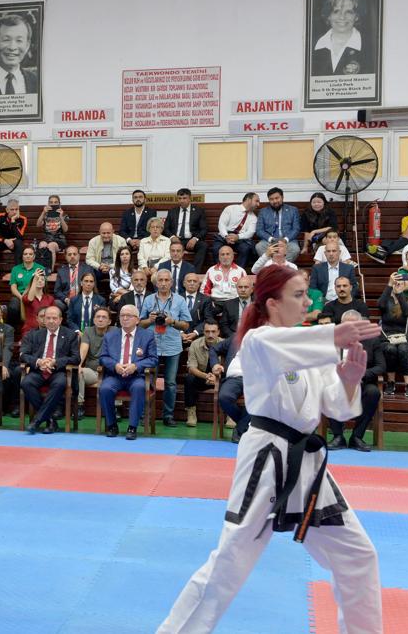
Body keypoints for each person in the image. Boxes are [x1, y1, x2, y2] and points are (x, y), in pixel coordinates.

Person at [158, 265, 383, 634]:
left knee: (358, 555)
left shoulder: (311, 347)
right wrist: (333, 335)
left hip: (307, 461)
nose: (307, 302)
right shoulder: (258, 341)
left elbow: (338, 408)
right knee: (229, 563)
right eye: (298, 295)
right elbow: (284, 348)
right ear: (273, 303)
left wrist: (348, 380)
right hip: (266, 459)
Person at [327, 309, 385, 452]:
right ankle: (338, 437)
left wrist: (361, 374)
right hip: (338, 382)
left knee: (373, 392)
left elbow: (381, 366)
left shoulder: (373, 341)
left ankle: (357, 437)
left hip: (363, 383)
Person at [140, 270, 192, 426]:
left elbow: (186, 325)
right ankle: (146, 414)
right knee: (149, 381)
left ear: (172, 282)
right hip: (152, 346)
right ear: (156, 283)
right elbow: (140, 324)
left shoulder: (180, 300)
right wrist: (150, 320)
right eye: (160, 280)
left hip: (172, 346)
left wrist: (172, 322)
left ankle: (168, 416)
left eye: (166, 280)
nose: (163, 283)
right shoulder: (149, 299)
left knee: (170, 383)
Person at [98, 304, 158, 440]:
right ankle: (112, 425)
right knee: (105, 389)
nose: (124, 318)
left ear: (137, 320)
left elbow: (153, 359)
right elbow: (103, 358)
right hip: (115, 375)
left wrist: (136, 366)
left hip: (137, 376)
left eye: (128, 316)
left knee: (139, 387)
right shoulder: (110, 335)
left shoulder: (147, 335)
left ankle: (132, 427)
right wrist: (115, 366)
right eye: (122, 316)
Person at [21, 305, 79, 434]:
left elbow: (76, 358)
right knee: (26, 383)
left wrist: (56, 362)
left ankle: (37, 421)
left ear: (60, 320)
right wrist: (38, 361)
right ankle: (50, 420)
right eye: (48, 318)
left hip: (58, 371)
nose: (51, 321)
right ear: (44, 319)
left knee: (60, 383)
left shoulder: (70, 335)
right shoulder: (34, 335)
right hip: (39, 370)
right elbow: (23, 355)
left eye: (54, 318)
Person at [311, 0, 372, 76]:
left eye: (349, 12)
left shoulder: (371, 48)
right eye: (336, 11)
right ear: (328, 15)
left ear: (356, 16)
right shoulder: (313, 46)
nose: (342, 17)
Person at [379, 275, 408, 399]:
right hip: (387, 337)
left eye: (400, 283)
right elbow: (380, 305)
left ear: (405, 285)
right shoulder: (386, 300)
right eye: (395, 282)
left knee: (403, 348)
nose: (397, 284)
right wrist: (389, 285)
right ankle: (391, 382)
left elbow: (407, 313)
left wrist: (400, 294)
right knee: (390, 349)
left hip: (406, 338)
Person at [0, 13, 38, 95]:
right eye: (6, 40)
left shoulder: (35, 81)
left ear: (27, 45)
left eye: (19, 40)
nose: (12, 47)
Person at [183, 320, 222, 428]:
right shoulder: (195, 344)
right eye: (207, 331)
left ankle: (229, 415)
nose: (210, 335)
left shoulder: (225, 344)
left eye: (213, 331)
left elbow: (230, 367)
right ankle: (191, 412)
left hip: (220, 378)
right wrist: (206, 376)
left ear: (218, 332)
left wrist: (217, 378)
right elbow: (191, 368)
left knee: (231, 381)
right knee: (189, 379)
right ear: (203, 332)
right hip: (202, 377)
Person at [163, 188, 208, 272]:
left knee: (203, 246)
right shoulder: (172, 211)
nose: (182, 201)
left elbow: (204, 229)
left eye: (184, 198)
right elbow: (166, 228)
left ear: (190, 198)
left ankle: (194, 272)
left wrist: (195, 239)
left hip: (191, 240)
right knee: (164, 244)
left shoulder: (198, 211)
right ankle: (168, 272)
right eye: (179, 198)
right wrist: (172, 237)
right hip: (176, 240)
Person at [213, 192, 260, 267]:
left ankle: (238, 271)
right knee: (216, 248)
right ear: (248, 200)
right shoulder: (230, 209)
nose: (258, 204)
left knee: (245, 249)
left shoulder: (253, 217)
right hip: (224, 236)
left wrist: (238, 237)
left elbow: (250, 232)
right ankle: (220, 270)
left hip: (240, 239)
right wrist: (226, 236)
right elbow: (222, 224)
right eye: (256, 201)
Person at [255, 187, 301, 261]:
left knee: (295, 249)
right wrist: (271, 239)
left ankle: (281, 265)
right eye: (271, 199)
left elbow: (296, 229)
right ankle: (272, 265)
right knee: (259, 247)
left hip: (288, 241)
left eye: (277, 198)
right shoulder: (263, 212)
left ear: (282, 197)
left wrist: (285, 239)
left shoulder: (293, 210)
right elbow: (259, 230)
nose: (274, 201)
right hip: (269, 241)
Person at [76, 307, 110, 407]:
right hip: (93, 372)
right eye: (98, 317)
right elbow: (83, 350)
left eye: (104, 317)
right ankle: (80, 404)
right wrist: (79, 365)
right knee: (80, 372)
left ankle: (117, 407)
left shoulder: (115, 331)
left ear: (109, 321)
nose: (100, 319)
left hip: (109, 372)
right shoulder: (88, 331)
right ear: (94, 320)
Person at [9, 245, 46, 323]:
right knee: (13, 306)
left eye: (30, 254)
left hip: (35, 295)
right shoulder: (15, 269)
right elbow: (13, 286)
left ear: (34, 256)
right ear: (22, 256)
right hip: (19, 295)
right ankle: (13, 328)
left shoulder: (40, 268)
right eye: (25, 254)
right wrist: (21, 297)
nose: (28, 256)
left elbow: (42, 284)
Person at [86, 221, 128, 287]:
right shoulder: (93, 241)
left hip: (115, 268)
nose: (106, 235)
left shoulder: (121, 241)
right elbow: (89, 259)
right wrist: (99, 266)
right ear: (99, 232)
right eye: (103, 233)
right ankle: (95, 292)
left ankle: (118, 291)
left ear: (113, 232)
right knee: (90, 272)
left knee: (121, 271)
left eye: (108, 233)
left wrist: (110, 266)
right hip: (99, 269)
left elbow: (124, 259)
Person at [54, 245, 94, 312]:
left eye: (74, 254)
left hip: (83, 299)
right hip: (67, 301)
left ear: (79, 255)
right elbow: (57, 291)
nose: (72, 256)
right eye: (69, 254)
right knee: (56, 303)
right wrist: (66, 299)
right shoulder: (61, 271)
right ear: (65, 257)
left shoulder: (87, 269)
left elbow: (93, 287)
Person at [35, 194, 69, 270]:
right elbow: (38, 224)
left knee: (51, 246)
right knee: (42, 244)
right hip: (47, 239)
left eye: (55, 202)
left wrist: (61, 217)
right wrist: (43, 213)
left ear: (59, 204)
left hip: (59, 240)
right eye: (51, 202)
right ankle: (41, 270)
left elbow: (65, 229)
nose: (53, 204)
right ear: (48, 203)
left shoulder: (64, 214)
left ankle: (50, 270)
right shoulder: (45, 214)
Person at [180, 273, 215, 344]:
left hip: (199, 337)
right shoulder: (177, 298)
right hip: (179, 336)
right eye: (189, 281)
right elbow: (174, 318)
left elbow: (208, 319)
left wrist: (195, 333)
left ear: (199, 284)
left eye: (195, 281)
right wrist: (181, 333)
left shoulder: (206, 299)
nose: (192, 283)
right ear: (184, 283)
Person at [0, 198, 27, 264]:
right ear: (7, 210)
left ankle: (17, 268)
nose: (15, 212)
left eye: (16, 209)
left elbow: (20, 237)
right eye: (12, 209)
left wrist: (13, 221)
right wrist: (5, 240)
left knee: (19, 242)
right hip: (1, 243)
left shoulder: (23, 219)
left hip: (14, 244)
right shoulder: (0, 216)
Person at [21, 268, 55, 338]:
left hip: (46, 330)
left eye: (42, 279)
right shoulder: (26, 296)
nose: (39, 281)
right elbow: (30, 299)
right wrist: (34, 279)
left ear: (45, 283)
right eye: (37, 279)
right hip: (29, 330)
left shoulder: (50, 298)